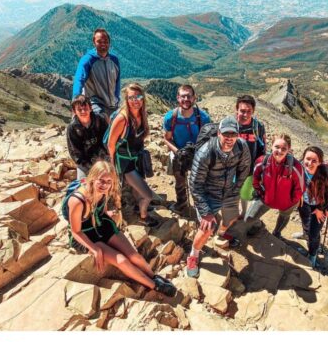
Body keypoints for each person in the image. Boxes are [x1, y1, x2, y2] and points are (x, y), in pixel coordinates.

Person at [65, 160, 175, 297]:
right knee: (122, 261)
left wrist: (107, 213)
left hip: (100, 223)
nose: (105, 185)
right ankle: (154, 285)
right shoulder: (77, 201)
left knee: (135, 257)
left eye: (108, 181)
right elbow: (76, 231)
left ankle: (153, 276)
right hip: (85, 233)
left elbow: (100, 207)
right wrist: (93, 249)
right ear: (92, 179)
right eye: (101, 181)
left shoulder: (104, 190)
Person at [186, 117, 251, 278]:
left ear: (238, 135)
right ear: (218, 133)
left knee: (231, 217)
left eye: (233, 134)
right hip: (208, 194)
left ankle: (221, 234)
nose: (229, 138)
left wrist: (235, 191)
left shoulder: (242, 147)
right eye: (225, 134)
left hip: (228, 191)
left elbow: (244, 170)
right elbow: (195, 185)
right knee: (207, 228)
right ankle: (193, 255)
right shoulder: (206, 152)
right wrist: (206, 212)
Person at [106, 83, 158, 227]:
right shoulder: (122, 119)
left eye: (139, 97)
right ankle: (143, 216)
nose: (136, 100)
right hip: (125, 163)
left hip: (136, 159)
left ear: (143, 98)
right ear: (126, 99)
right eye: (131, 97)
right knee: (148, 195)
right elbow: (111, 144)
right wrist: (113, 167)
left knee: (138, 190)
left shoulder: (141, 114)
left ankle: (138, 206)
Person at [244, 134, 305, 239]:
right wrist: (261, 193)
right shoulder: (262, 162)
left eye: (284, 148)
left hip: (286, 203)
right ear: (271, 146)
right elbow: (255, 180)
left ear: (288, 150)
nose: (280, 151)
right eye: (277, 147)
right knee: (248, 218)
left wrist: (291, 201)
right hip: (266, 199)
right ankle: (258, 225)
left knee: (284, 216)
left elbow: (300, 188)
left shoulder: (296, 167)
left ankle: (277, 233)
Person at [163, 84, 210, 213]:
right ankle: (182, 204)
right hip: (179, 152)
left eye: (189, 96)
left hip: (198, 152)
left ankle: (203, 207)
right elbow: (167, 138)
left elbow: (209, 139)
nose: (186, 99)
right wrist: (178, 152)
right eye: (183, 96)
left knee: (200, 182)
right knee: (179, 180)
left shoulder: (203, 117)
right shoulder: (170, 117)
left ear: (194, 98)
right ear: (178, 98)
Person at [294, 146, 328, 267]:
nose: (310, 163)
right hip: (304, 203)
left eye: (314, 161)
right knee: (305, 222)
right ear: (303, 158)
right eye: (307, 159)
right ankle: (304, 234)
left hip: (319, 206)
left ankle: (312, 254)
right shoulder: (300, 168)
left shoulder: (326, 175)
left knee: (314, 233)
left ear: (320, 162)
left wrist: (320, 209)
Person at [72, 27, 120, 121]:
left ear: (109, 43)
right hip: (95, 103)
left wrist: (117, 98)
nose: (103, 44)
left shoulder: (114, 60)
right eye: (99, 41)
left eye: (105, 41)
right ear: (94, 43)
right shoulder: (88, 60)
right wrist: (76, 103)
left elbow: (117, 82)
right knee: (101, 123)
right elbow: (79, 80)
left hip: (113, 104)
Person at [235, 95, 267, 214]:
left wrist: (260, 170)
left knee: (245, 194)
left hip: (250, 170)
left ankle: (243, 214)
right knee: (232, 193)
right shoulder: (231, 125)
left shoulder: (258, 127)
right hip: (232, 168)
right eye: (242, 111)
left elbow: (263, 149)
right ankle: (233, 214)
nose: (246, 115)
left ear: (253, 111)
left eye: (249, 111)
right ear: (236, 109)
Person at [66, 95, 107, 180]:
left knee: (111, 180)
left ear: (91, 108)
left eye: (85, 108)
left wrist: (102, 158)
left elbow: (107, 141)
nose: (83, 111)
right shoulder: (72, 128)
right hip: (85, 163)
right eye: (79, 109)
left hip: (103, 158)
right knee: (83, 185)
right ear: (74, 111)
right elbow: (76, 153)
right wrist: (91, 165)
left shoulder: (100, 120)